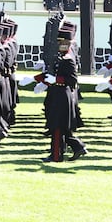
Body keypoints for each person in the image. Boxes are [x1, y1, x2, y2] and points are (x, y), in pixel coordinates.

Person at [38, 30, 87, 162]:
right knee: (59, 126)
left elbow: (72, 80)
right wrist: (37, 79)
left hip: (62, 96)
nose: (59, 44)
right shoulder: (61, 57)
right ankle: (77, 147)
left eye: (61, 42)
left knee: (58, 126)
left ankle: (56, 155)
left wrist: (56, 80)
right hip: (57, 94)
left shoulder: (68, 59)